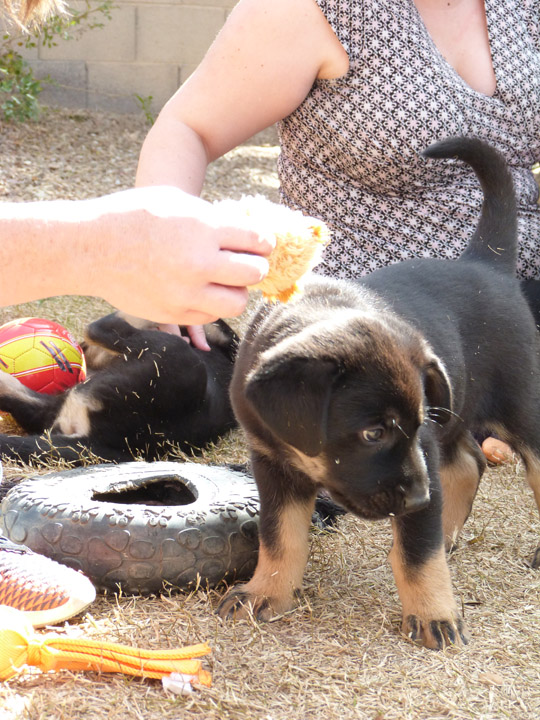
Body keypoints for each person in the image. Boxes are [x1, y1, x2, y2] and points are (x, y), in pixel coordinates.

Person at [135, 0, 540, 458]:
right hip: (375, 316)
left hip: (508, 293)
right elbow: (188, 128)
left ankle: (490, 408)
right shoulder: (314, 10)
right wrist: (167, 255)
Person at [0, 0, 275, 625]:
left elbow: (98, 345)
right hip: (134, 433)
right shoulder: (204, 374)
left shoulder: (185, 356)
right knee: (60, 429)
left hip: (118, 430)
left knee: (57, 426)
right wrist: (104, 244)